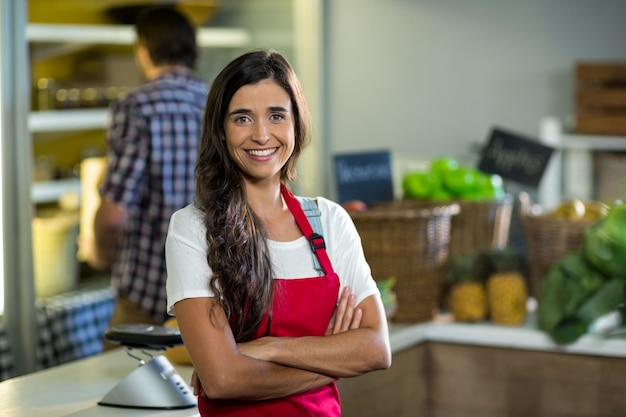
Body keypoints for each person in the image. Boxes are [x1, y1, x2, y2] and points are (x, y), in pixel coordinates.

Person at [165, 49, 392, 416]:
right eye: (242, 118)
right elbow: (223, 379)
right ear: (220, 132)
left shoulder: (330, 222)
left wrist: (271, 347)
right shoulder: (193, 228)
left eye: (276, 116)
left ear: (296, 124)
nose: (261, 134)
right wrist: (330, 353)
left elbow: (376, 349)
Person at [84, 7, 209, 346]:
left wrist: (98, 252)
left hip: (147, 296)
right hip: (210, 294)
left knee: (124, 393)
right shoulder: (218, 103)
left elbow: (114, 216)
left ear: (143, 48)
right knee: (198, 395)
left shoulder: (136, 106)